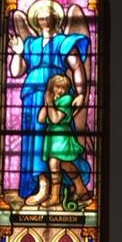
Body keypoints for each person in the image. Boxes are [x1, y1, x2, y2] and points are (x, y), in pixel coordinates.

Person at [8, 0, 90, 204]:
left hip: (56, 96)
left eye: (48, 17)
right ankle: (42, 185)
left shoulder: (63, 42)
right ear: (36, 21)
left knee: (54, 142)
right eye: (41, 17)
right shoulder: (31, 44)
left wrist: (81, 93)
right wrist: (18, 53)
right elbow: (16, 72)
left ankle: (57, 189)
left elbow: (77, 67)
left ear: (56, 19)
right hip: (32, 97)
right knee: (34, 139)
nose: (44, 20)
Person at [37, 74, 92, 209]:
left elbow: (55, 119)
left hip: (61, 135)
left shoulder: (67, 99)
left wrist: (50, 103)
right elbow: (41, 119)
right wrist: (47, 102)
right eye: (57, 87)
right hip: (52, 136)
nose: (61, 90)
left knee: (54, 163)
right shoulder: (53, 100)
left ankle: (55, 197)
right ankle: (81, 188)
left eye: (64, 88)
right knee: (65, 164)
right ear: (52, 88)